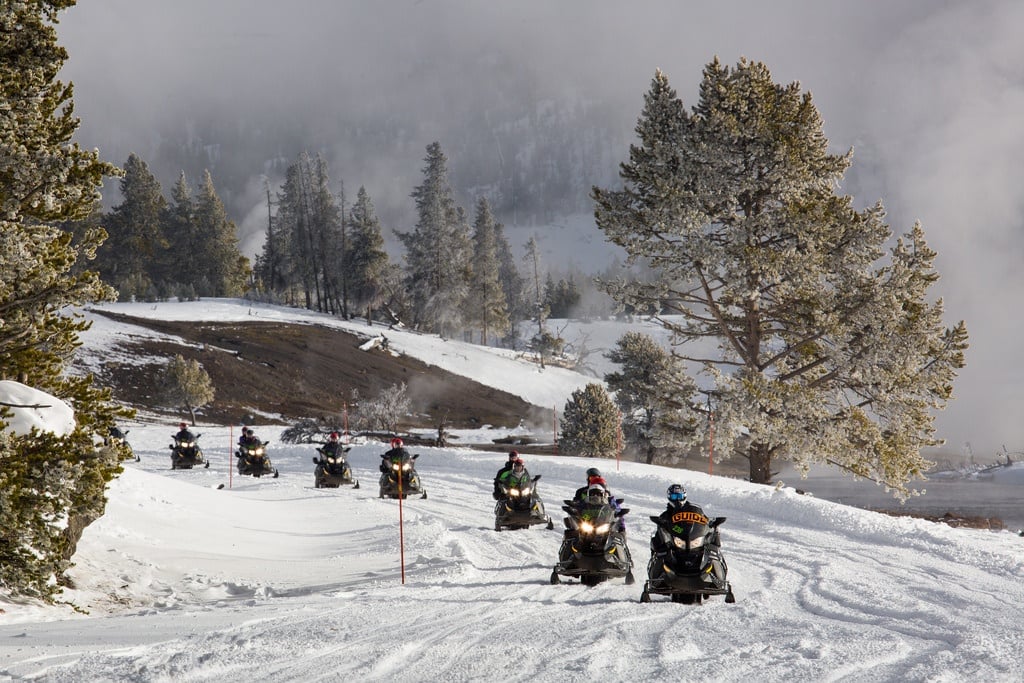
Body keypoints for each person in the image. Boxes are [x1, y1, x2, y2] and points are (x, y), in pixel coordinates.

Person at [572, 467, 625, 531]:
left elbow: (612, 505)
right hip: (586, 518)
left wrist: (617, 510)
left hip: (602, 519)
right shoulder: (581, 491)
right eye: (591, 478)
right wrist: (574, 505)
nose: (594, 480)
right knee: (574, 529)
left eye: (596, 478)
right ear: (588, 479)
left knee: (615, 527)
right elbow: (576, 503)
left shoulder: (606, 492)